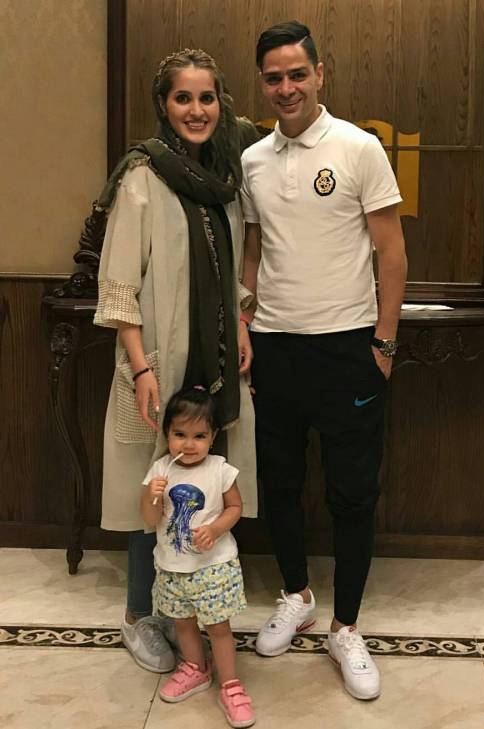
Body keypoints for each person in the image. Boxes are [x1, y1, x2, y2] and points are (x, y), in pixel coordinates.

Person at [240, 21, 407, 700]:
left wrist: (384, 344)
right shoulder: (253, 159)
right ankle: (297, 595)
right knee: (279, 484)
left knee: (351, 494)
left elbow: (391, 253)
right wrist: (245, 323)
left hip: (348, 349)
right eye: (274, 78)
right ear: (263, 83)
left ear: (320, 74)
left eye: (297, 74)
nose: (286, 88)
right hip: (274, 347)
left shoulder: (359, 147)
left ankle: (346, 626)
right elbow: (254, 250)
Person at [94, 49, 258, 675]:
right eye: (183, 98)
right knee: (153, 480)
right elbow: (120, 285)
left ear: (221, 103)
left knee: (204, 478)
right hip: (159, 361)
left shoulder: (223, 179)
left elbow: (230, 265)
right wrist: (141, 368)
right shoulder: (143, 175)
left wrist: (240, 323)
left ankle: (189, 603)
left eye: (206, 97)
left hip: (213, 361)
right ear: (163, 105)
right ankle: (141, 613)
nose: (196, 109)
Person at [141, 387, 254, 727]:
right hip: (172, 567)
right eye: (180, 434)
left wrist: (216, 529)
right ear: (167, 434)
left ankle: (230, 684)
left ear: (213, 437)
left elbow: (235, 507)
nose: (189, 445)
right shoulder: (160, 470)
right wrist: (151, 496)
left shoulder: (220, 469)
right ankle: (195, 668)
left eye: (199, 436)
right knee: (183, 623)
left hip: (213, 567)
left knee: (218, 627)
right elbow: (149, 519)